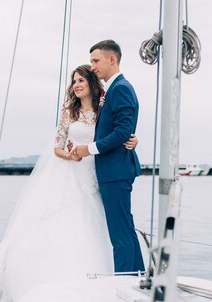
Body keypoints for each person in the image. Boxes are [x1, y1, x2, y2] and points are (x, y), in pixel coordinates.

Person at [0, 64, 138, 302]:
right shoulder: (69, 112)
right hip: (72, 171)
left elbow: (115, 132)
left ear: (91, 84)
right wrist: (71, 155)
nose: (75, 85)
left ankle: (118, 278)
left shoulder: (102, 108)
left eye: (81, 81)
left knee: (103, 224)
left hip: (96, 173)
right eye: (73, 81)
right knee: (66, 219)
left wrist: (132, 139)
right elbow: (57, 147)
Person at [71, 40, 144, 274]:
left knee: (119, 235)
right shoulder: (110, 90)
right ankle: (137, 276)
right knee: (125, 229)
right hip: (114, 170)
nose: (92, 67)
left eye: (95, 61)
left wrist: (89, 149)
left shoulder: (120, 87)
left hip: (115, 171)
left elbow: (122, 131)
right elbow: (121, 128)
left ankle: (123, 281)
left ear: (111, 59)